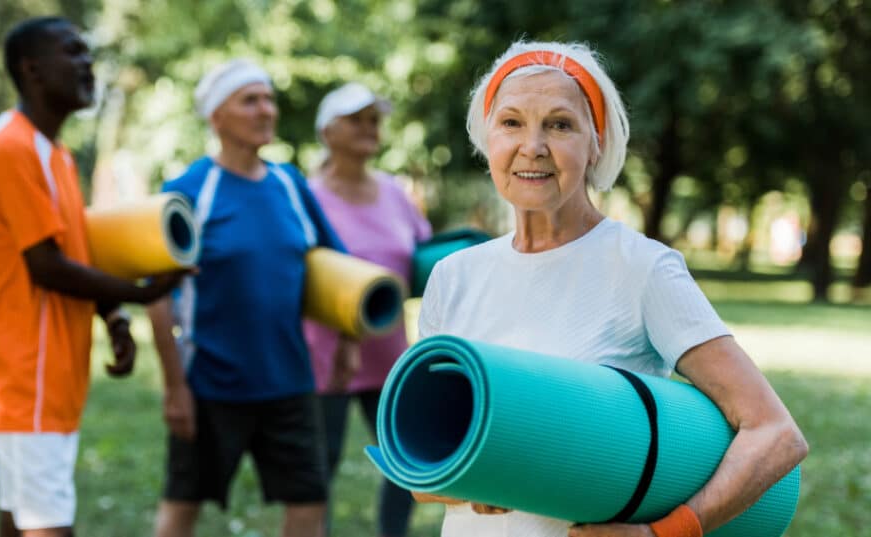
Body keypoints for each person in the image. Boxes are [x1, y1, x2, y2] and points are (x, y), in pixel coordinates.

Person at [413, 40, 808, 537]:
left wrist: (666, 533)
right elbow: (420, 469)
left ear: (596, 143)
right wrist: (480, 477)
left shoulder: (641, 268)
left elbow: (775, 434)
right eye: (511, 123)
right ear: (486, 138)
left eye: (560, 124)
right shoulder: (453, 277)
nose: (532, 147)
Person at [0, 17, 188, 537]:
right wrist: (138, 294)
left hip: (46, 367)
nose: (87, 64)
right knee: (47, 522)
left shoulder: (56, 153)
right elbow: (44, 266)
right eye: (73, 52)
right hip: (27, 365)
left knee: (21, 515)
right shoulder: (13, 147)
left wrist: (112, 315)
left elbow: (73, 250)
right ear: (33, 69)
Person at [147, 59, 346, 537]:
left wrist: (349, 342)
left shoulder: (291, 185)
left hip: (290, 383)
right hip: (210, 384)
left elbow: (332, 270)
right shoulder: (187, 191)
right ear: (217, 117)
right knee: (182, 504)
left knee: (309, 504)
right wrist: (175, 387)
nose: (266, 110)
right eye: (250, 100)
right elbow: (156, 298)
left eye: (269, 99)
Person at [302, 82, 431, 537]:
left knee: (409, 459)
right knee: (320, 469)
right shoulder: (307, 196)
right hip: (326, 357)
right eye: (356, 119)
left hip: (389, 355)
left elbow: (420, 257)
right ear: (328, 131)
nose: (368, 128)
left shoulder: (395, 192)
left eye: (374, 120)